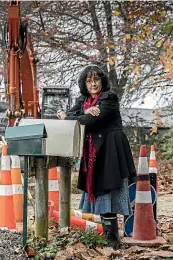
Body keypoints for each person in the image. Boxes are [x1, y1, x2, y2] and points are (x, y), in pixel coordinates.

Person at [57, 65, 137, 249]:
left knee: (108, 191)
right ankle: (105, 236)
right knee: (99, 190)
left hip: (111, 150)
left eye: (96, 80)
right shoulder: (84, 100)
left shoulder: (109, 98)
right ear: (84, 83)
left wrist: (78, 116)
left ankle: (113, 239)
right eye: (89, 80)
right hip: (93, 152)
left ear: (102, 81)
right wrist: (83, 112)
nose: (93, 84)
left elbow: (90, 121)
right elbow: (72, 114)